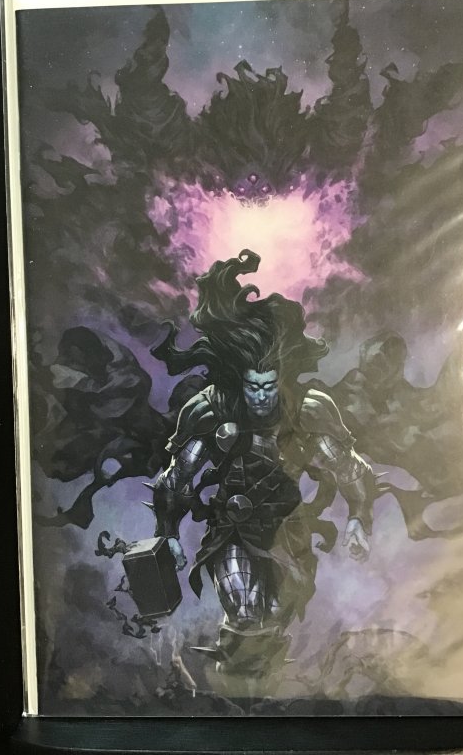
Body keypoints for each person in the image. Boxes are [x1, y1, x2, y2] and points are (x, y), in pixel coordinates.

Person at [148, 250, 376, 685]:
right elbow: (176, 478)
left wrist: (359, 518)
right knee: (246, 611)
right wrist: (168, 533)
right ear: (240, 380)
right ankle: (235, 692)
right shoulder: (212, 409)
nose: (260, 396)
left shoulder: (308, 410)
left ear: (280, 379)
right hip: (232, 528)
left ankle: (257, 697)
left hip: (289, 531)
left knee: (274, 615)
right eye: (252, 386)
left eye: (268, 386)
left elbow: (350, 469)